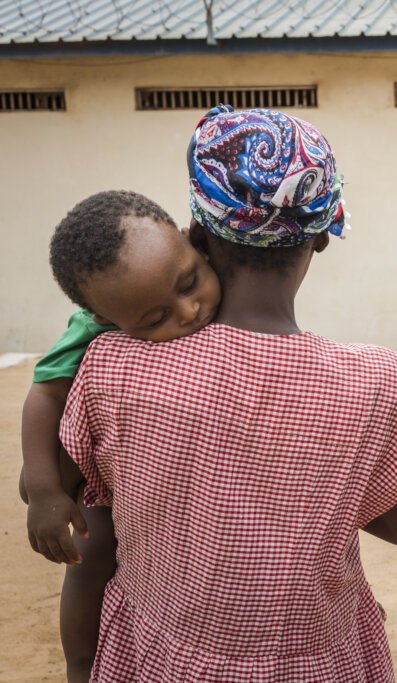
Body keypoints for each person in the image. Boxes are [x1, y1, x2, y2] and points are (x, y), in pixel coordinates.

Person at [59, 105, 397, 681]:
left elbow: (84, 511)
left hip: (161, 654)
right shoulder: (386, 383)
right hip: (320, 661)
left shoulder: (115, 367)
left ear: (194, 234)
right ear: (323, 238)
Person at [20, 190, 222, 681]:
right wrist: (45, 489)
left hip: (176, 489)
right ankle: (82, 665)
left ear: (194, 243)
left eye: (190, 282)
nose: (189, 310)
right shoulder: (88, 330)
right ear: (109, 321)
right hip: (99, 478)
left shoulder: (220, 280)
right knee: (89, 555)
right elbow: (44, 396)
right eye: (154, 319)